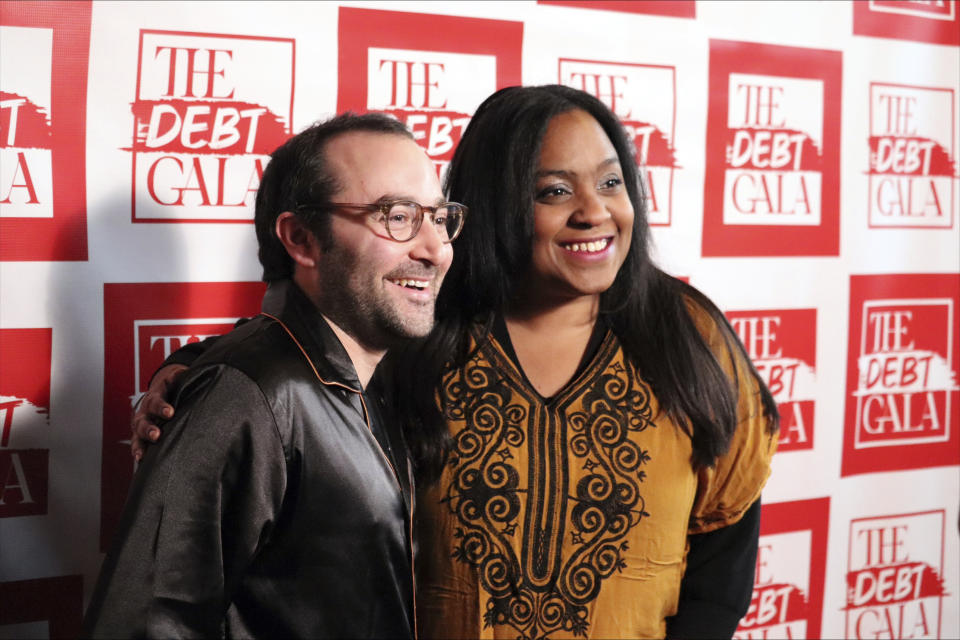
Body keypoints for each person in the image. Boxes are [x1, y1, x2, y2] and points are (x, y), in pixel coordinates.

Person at [134, 85, 778, 639]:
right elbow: (311, 349)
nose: (595, 211)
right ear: (496, 206)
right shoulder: (423, 326)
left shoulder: (690, 336)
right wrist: (197, 365)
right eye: (555, 190)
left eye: (612, 181)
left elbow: (726, 543)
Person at [84, 112, 466, 638]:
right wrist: (213, 372)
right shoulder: (245, 395)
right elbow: (147, 623)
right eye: (396, 216)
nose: (434, 249)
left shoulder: (379, 370)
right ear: (302, 239)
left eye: (438, 217)